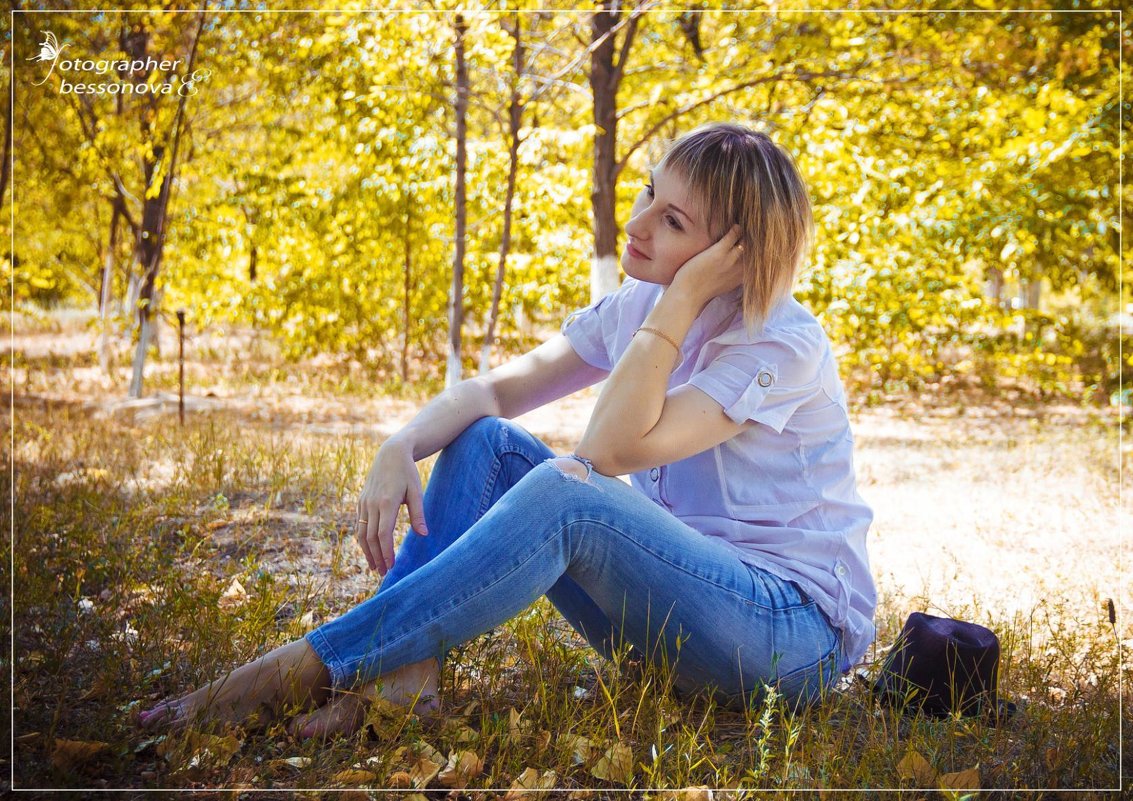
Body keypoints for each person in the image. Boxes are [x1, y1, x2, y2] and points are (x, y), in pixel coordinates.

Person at [139, 122, 876, 739]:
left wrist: (679, 301)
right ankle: (405, 676)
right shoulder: (635, 305)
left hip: (786, 640)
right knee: (485, 437)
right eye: (651, 190)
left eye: (673, 222)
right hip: (675, 621)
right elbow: (494, 389)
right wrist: (400, 443)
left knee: (571, 490)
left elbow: (608, 452)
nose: (638, 219)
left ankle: (301, 667)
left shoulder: (777, 340)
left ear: (733, 257)